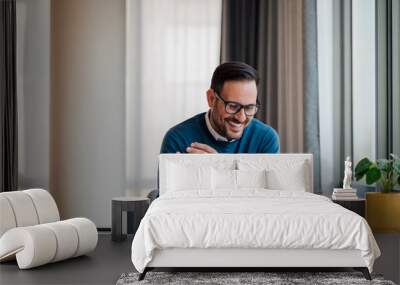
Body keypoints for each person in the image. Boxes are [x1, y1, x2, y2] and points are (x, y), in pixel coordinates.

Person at [160, 62, 280, 154]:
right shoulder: (178, 139)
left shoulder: (266, 138)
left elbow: (264, 187)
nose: (241, 117)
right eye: (233, 106)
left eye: (249, 107)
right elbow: (168, 187)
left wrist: (218, 168)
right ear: (211, 99)